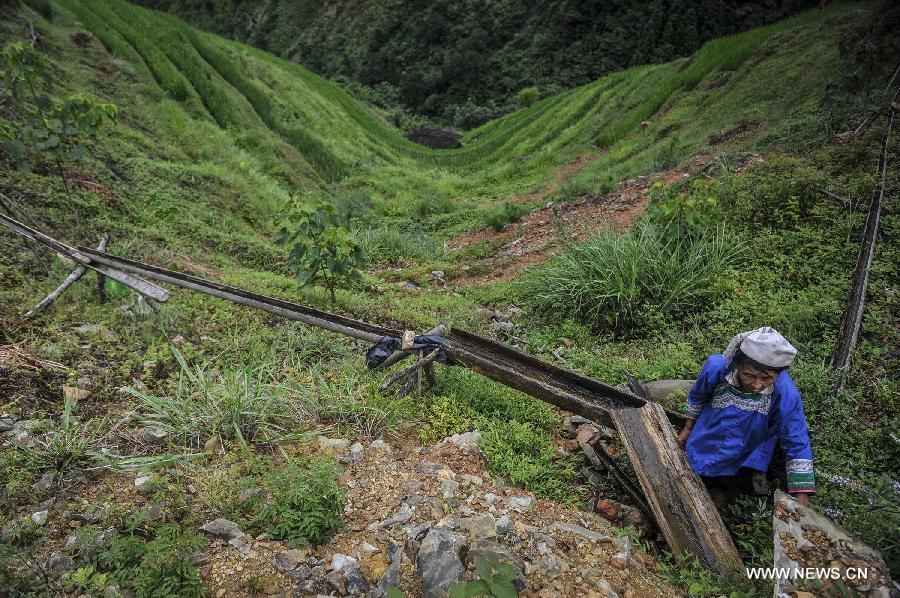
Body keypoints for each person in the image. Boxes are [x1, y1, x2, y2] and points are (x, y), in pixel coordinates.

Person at [677, 327, 815, 507]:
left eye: (766, 378)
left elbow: (796, 437)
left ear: (778, 374)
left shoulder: (785, 392)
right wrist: (688, 428)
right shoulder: (717, 368)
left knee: (738, 479)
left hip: (751, 439)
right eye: (749, 375)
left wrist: (801, 492)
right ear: (737, 363)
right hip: (711, 431)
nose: (757, 385)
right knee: (697, 468)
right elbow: (698, 395)